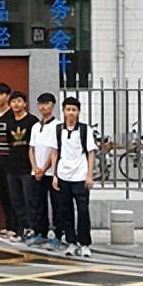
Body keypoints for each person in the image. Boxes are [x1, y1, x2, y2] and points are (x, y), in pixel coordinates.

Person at [53, 97, 96, 258]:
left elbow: (91, 153)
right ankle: (71, 241)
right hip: (63, 175)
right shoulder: (58, 130)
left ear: (78, 112)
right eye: (68, 109)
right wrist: (55, 175)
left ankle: (84, 243)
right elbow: (55, 152)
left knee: (83, 210)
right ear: (63, 111)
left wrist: (89, 175)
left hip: (80, 176)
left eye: (74, 109)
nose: (71, 112)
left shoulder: (85, 130)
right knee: (66, 210)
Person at [4, 91, 40, 243]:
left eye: (19, 101)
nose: (16, 104)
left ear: (24, 103)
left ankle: (34, 229)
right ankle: (21, 230)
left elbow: (35, 146)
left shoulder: (33, 122)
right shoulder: (9, 121)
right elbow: (8, 142)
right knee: (16, 201)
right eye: (13, 102)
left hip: (28, 168)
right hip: (12, 168)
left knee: (30, 200)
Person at [29, 93, 61, 249]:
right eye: (40, 104)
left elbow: (54, 150)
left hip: (51, 173)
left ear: (53, 105)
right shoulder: (35, 126)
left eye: (46, 104)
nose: (43, 107)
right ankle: (39, 232)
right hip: (36, 172)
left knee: (56, 204)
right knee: (38, 203)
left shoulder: (58, 126)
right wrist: (35, 167)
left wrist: (44, 168)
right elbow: (31, 149)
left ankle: (57, 234)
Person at [0, 83, 18, 239]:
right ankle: (8, 225)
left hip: (11, 159)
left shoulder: (13, 114)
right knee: (3, 194)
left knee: (13, 193)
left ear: (8, 96)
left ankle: (16, 226)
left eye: (1, 94)